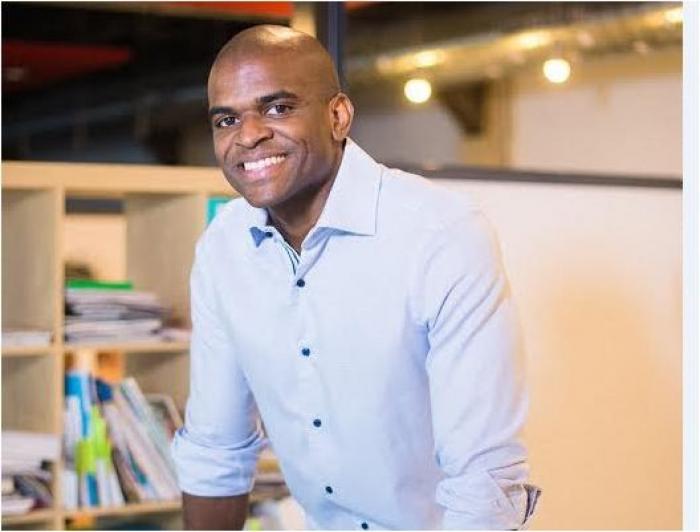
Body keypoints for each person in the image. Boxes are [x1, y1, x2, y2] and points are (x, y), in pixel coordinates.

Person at [171, 24, 540, 530]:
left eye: (277, 108)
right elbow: (215, 450)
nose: (249, 135)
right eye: (227, 119)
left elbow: (483, 479)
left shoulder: (441, 235)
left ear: (338, 116)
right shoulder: (223, 249)